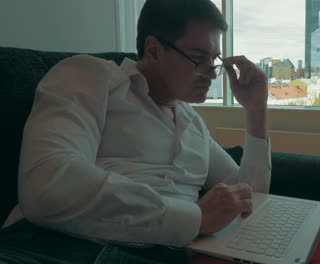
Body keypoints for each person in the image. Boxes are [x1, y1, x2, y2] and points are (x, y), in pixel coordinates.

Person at [0, 0, 270, 263]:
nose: (211, 75)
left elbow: (250, 196)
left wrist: (256, 110)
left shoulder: (193, 123)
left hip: (173, 252)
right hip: (69, 247)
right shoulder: (89, 76)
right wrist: (196, 218)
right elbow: (48, 186)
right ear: (153, 49)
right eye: (199, 58)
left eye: (214, 61)